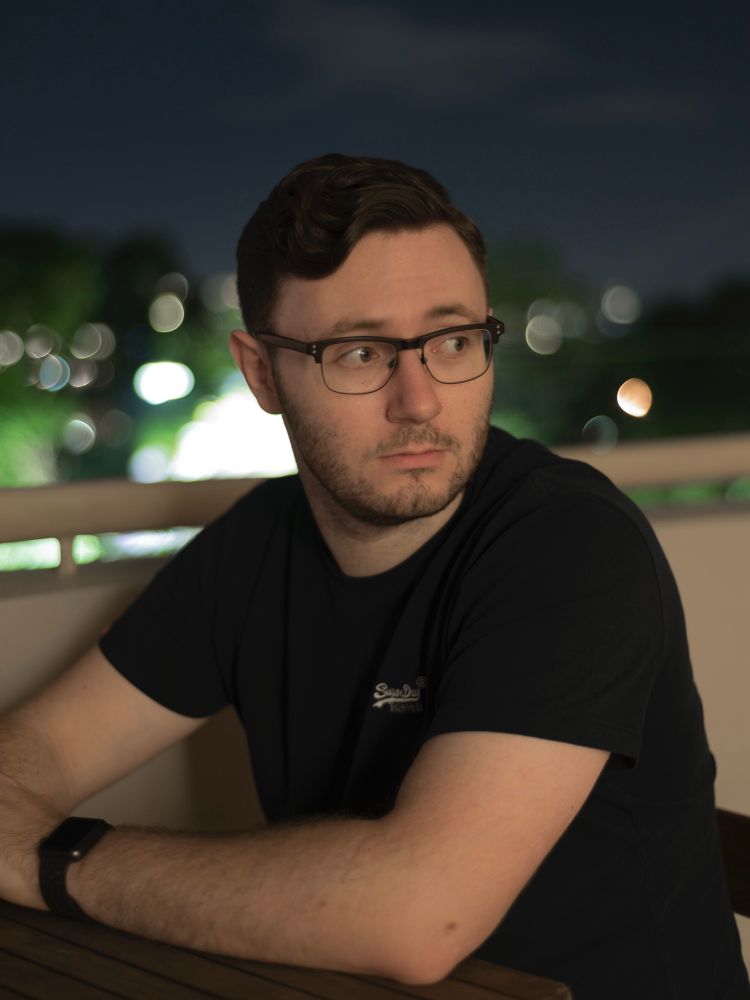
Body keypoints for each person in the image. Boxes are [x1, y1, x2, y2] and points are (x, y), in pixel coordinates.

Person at [0, 154, 747, 1000]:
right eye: (360, 353)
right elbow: (40, 751)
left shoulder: (569, 543)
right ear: (260, 374)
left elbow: (418, 917)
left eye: (453, 341)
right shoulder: (255, 548)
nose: (420, 400)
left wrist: (46, 860)